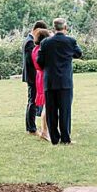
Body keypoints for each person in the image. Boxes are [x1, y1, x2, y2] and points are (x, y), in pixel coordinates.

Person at [36, 17, 82, 145]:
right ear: (65, 27)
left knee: (51, 111)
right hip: (65, 81)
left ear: (53, 28)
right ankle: (65, 138)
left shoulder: (45, 43)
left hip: (50, 81)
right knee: (65, 110)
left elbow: (40, 61)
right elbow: (79, 54)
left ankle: (54, 138)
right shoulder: (70, 41)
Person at [22, 20, 47, 134]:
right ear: (37, 29)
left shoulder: (29, 40)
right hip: (32, 76)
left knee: (32, 101)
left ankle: (31, 126)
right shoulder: (29, 42)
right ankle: (31, 128)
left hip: (33, 75)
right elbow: (30, 60)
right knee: (32, 101)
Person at [31, 28, 51, 142]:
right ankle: (44, 131)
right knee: (47, 106)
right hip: (44, 77)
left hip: (39, 76)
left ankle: (46, 130)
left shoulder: (35, 49)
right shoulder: (41, 50)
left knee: (46, 105)